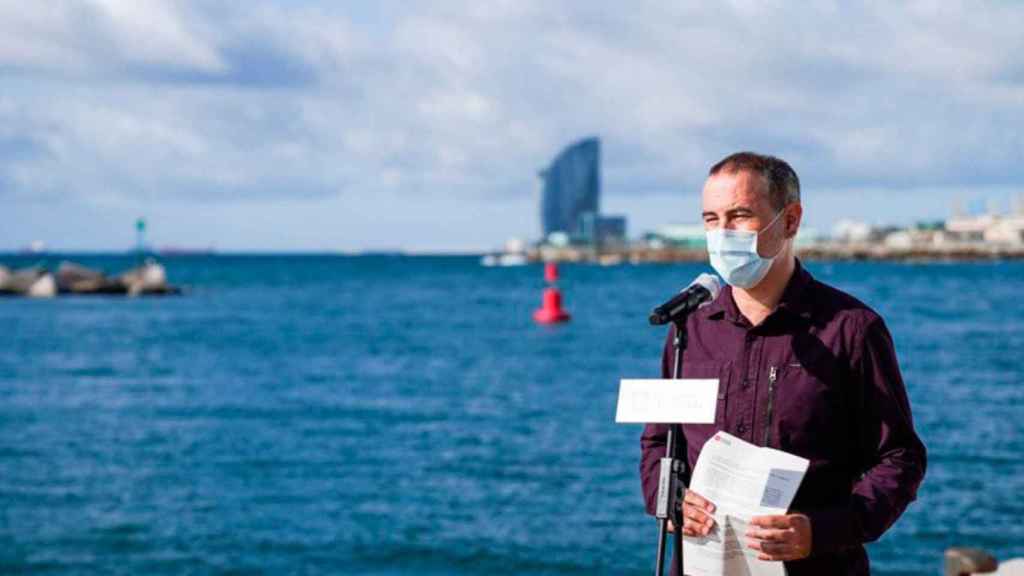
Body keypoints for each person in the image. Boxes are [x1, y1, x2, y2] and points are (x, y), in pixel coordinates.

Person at [639, 152, 926, 575]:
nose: (722, 233)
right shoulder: (688, 329)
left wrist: (821, 530)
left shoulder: (852, 329)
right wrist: (672, 502)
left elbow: (900, 458)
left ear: (790, 221)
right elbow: (659, 443)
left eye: (739, 216)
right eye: (711, 219)